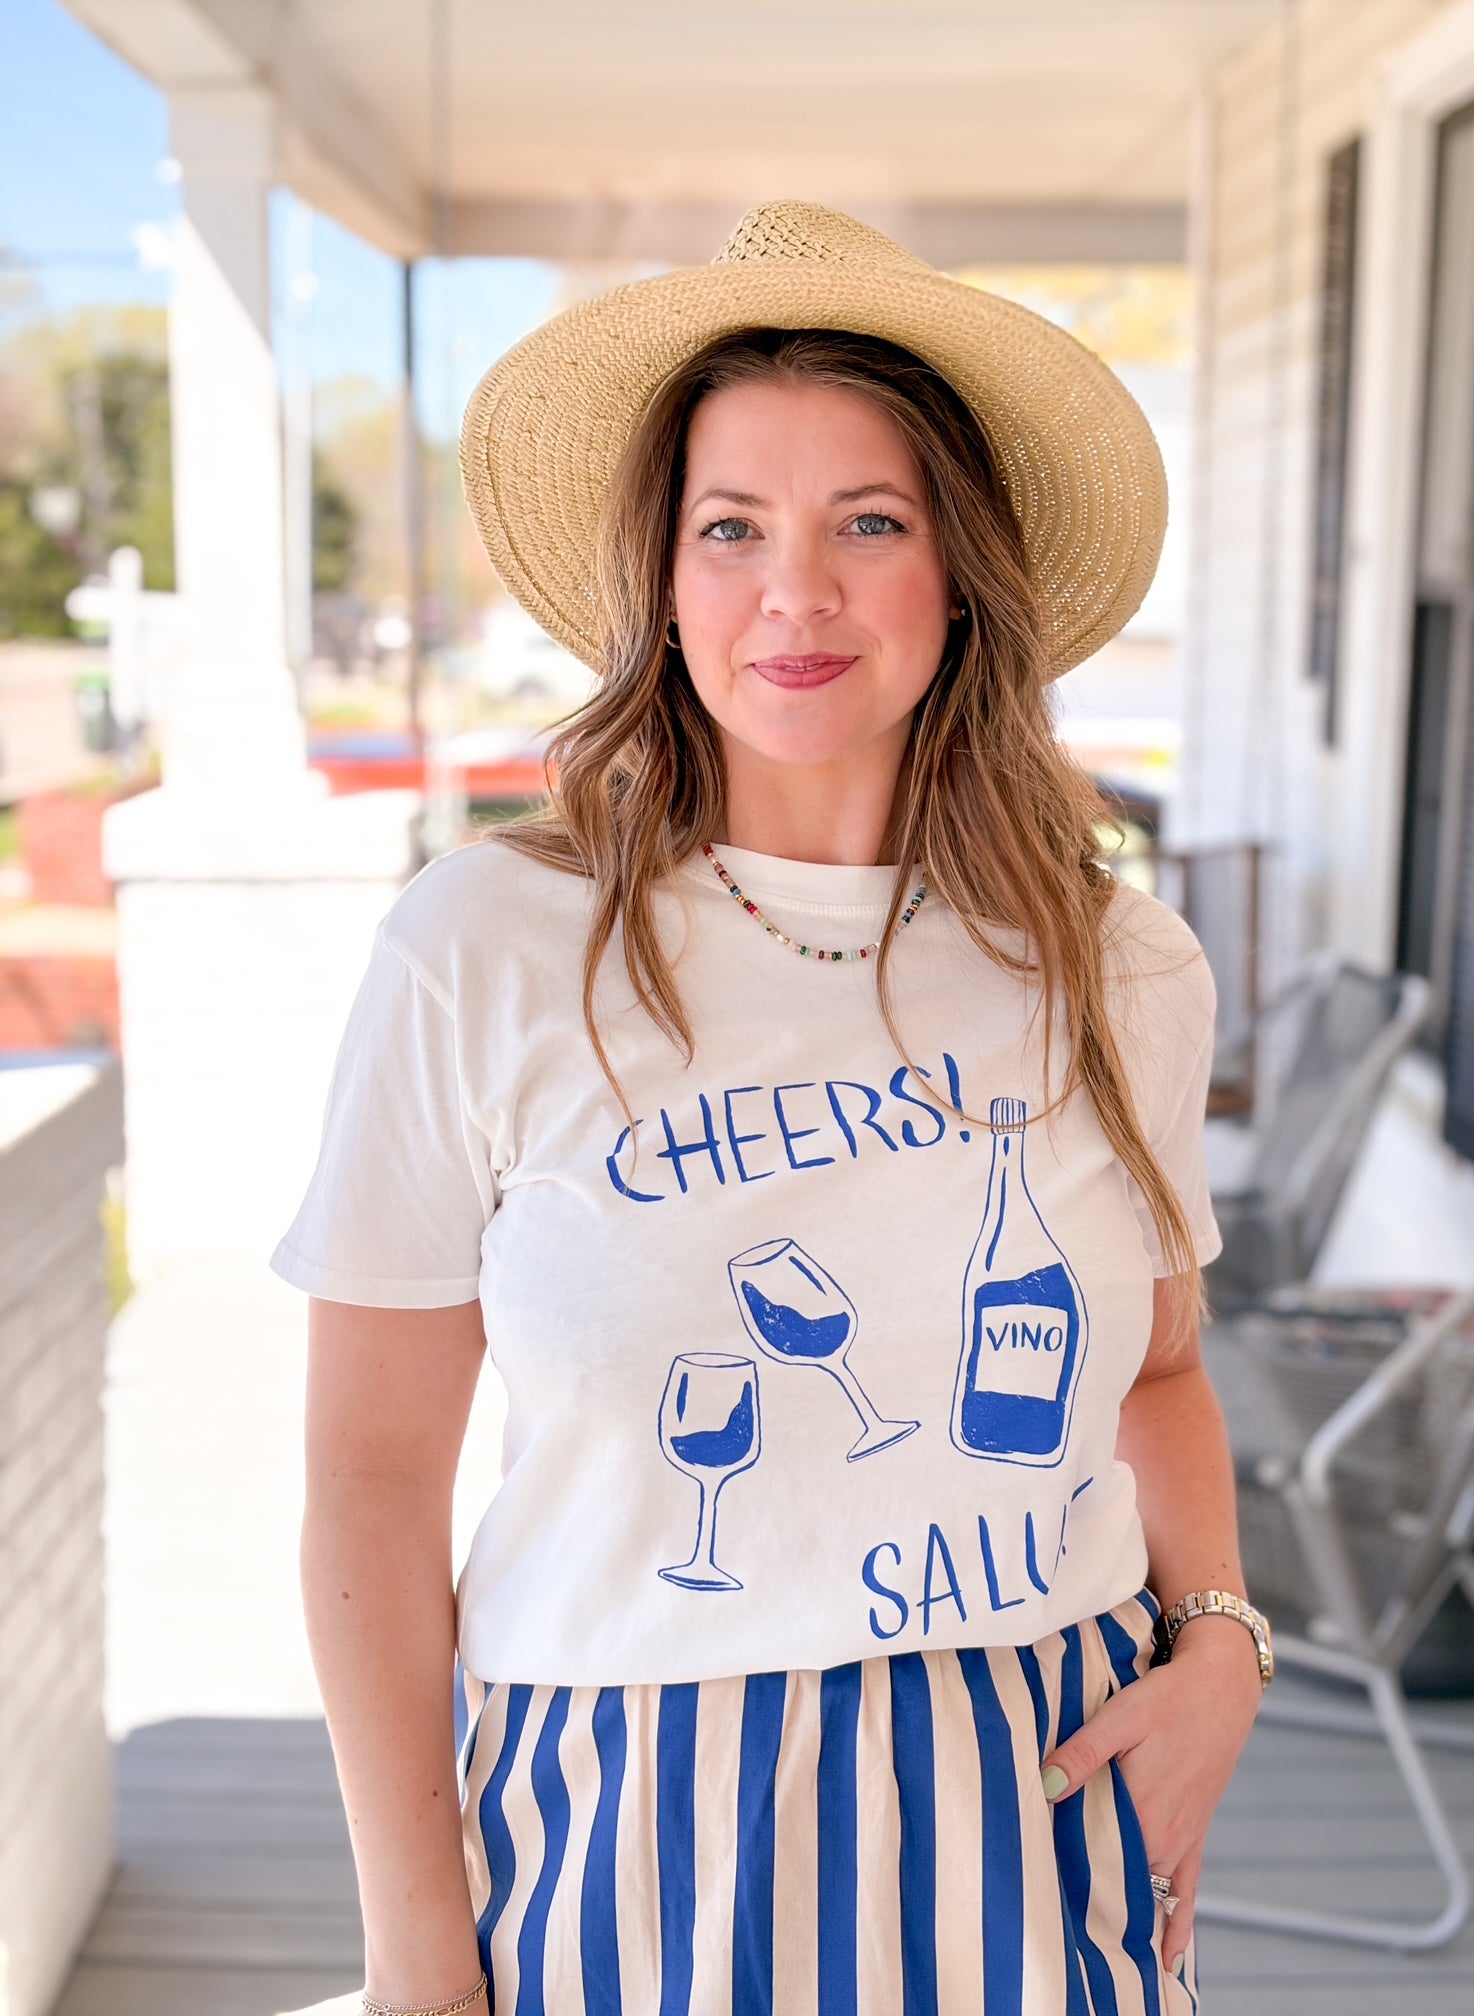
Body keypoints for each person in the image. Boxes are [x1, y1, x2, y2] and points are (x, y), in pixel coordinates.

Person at [270, 201, 1271, 2016]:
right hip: (621, 1810)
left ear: (956, 576)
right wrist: (421, 1946)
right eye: (732, 529)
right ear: (663, 578)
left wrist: (1222, 1651)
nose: (792, 594)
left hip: (1034, 1795)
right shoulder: (493, 944)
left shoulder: (1120, 968)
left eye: (866, 525)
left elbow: (1160, 1375)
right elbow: (370, 1477)